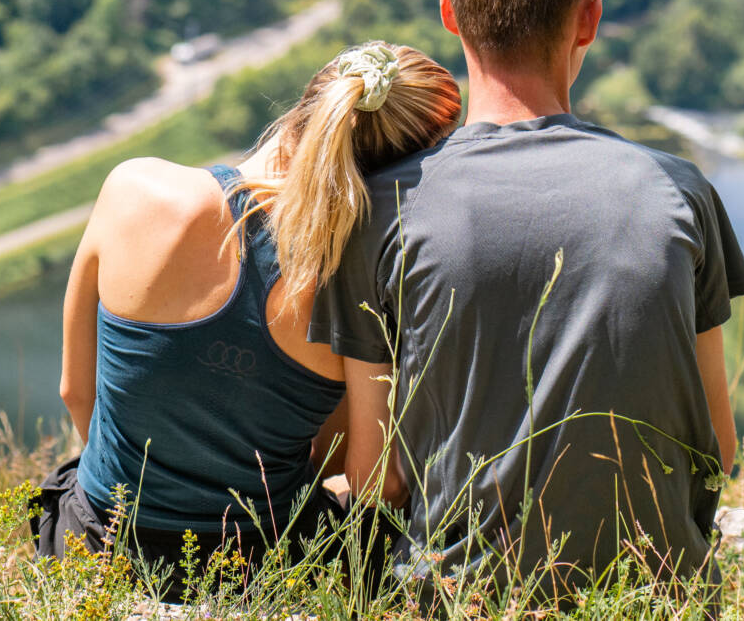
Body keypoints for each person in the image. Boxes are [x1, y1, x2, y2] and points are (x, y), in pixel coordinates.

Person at [311, 0, 744, 598]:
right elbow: (717, 442)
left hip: (462, 604)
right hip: (659, 601)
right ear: (590, 21)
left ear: (450, 15)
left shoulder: (385, 211)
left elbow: (379, 479)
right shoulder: (679, 190)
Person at [35, 41, 462, 597]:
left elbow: (75, 391)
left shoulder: (133, 188)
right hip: (256, 569)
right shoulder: (352, 285)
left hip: (96, 542)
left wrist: (148, 502)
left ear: (306, 107)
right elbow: (374, 483)